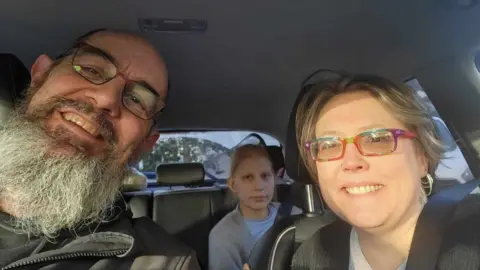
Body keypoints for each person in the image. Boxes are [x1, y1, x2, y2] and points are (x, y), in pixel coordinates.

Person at [0, 29, 200, 269]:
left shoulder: (165, 264)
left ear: (146, 143)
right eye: (91, 70)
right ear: (41, 75)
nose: (106, 99)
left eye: (137, 100)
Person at [294, 71, 480, 269]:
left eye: (377, 139)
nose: (351, 162)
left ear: (421, 156)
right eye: (329, 144)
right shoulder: (312, 255)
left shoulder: (471, 235)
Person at [208, 144, 301, 270]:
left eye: (265, 176)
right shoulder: (222, 237)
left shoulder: (294, 214)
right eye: (248, 177)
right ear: (233, 185)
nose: (259, 186)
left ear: (274, 179)